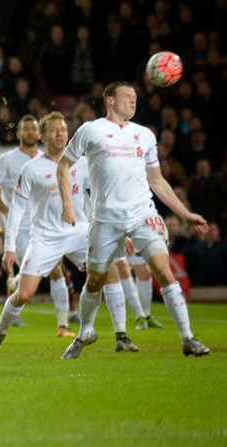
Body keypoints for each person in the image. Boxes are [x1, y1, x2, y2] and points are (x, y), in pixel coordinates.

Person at [57, 81, 210, 359]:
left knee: (163, 271)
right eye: (127, 97)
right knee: (95, 281)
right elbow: (64, 165)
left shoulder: (145, 135)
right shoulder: (91, 130)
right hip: (104, 220)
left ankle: (187, 338)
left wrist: (185, 214)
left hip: (142, 215)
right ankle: (84, 334)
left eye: (135, 97)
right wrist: (68, 203)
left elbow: (157, 181)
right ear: (110, 101)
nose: (133, 101)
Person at [0, 112, 140, 355]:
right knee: (23, 294)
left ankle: (121, 335)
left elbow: (100, 199)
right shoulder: (32, 168)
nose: (60, 134)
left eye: (63, 130)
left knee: (110, 271)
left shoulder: (83, 163)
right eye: (54, 130)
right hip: (45, 237)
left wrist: (119, 231)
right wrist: (9, 247)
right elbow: (16, 209)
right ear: (43, 136)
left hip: (80, 231)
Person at [0, 114, 72, 328]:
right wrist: (7, 211)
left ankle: (64, 321)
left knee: (54, 268)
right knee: (50, 269)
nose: (31, 133)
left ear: (40, 134)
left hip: (43, 225)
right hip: (20, 228)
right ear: (18, 134)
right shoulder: (7, 160)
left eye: (34, 129)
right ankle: (56, 318)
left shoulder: (49, 159)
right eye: (26, 129)